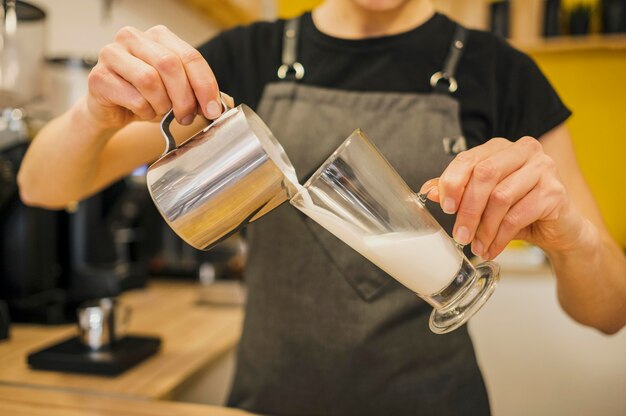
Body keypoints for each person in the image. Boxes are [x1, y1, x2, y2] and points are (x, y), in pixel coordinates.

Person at [18, 0, 626, 414]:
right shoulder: (242, 58)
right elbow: (42, 187)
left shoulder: (501, 72)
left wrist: (577, 239)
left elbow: (610, 312)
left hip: (434, 402)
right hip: (268, 400)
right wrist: (94, 113)